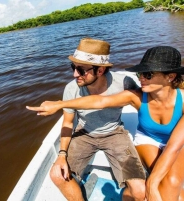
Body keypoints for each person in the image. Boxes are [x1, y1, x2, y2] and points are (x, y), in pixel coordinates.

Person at [27, 46, 184, 201]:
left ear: (171, 76)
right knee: (168, 184)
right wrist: (60, 104)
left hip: (162, 143)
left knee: (170, 183)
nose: (141, 78)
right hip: (135, 140)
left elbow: (173, 147)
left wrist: (151, 184)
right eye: (140, 73)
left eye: (148, 74)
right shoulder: (135, 96)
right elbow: (100, 101)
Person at [34, 38, 146, 201]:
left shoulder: (123, 83)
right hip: (84, 134)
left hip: (115, 133)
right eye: (73, 67)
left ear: (100, 71)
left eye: (81, 69)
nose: (74, 74)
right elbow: (67, 123)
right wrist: (62, 155)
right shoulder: (71, 88)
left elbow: (147, 107)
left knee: (139, 190)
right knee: (57, 175)